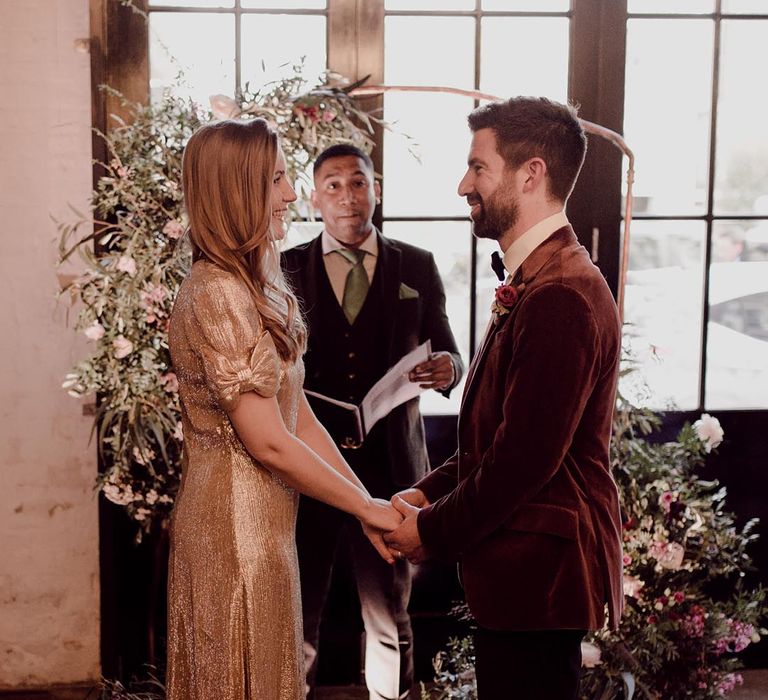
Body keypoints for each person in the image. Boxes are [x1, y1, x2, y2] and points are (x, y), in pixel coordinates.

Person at [385, 97, 624, 700]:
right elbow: (502, 439)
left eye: (478, 167)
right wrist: (426, 490)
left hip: (539, 580)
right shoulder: (541, 278)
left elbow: (522, 462)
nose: (463, 184)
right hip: (524, 579)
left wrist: (431, 531)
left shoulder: (559, 294)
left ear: (531, 173)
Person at [166, 119, 401, 700]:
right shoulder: (215, 289)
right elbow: (268, 442)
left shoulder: (251, 282)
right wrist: (366, 510)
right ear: (237, 191)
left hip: (266, 532)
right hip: (231, 533)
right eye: (276, 179)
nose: (293, 193)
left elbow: (298, 418)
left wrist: (367, 504)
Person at [282, 143, 464, 700]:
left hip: (391, 473)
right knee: (299, 614)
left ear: (375, 190)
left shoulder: (417, 264)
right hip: (308, 470)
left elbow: (450, 349)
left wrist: (448, 368)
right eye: (332, 185)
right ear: (314, 198)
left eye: (357, 182)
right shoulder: (286, 266)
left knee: (389, 619)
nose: (347, 196)